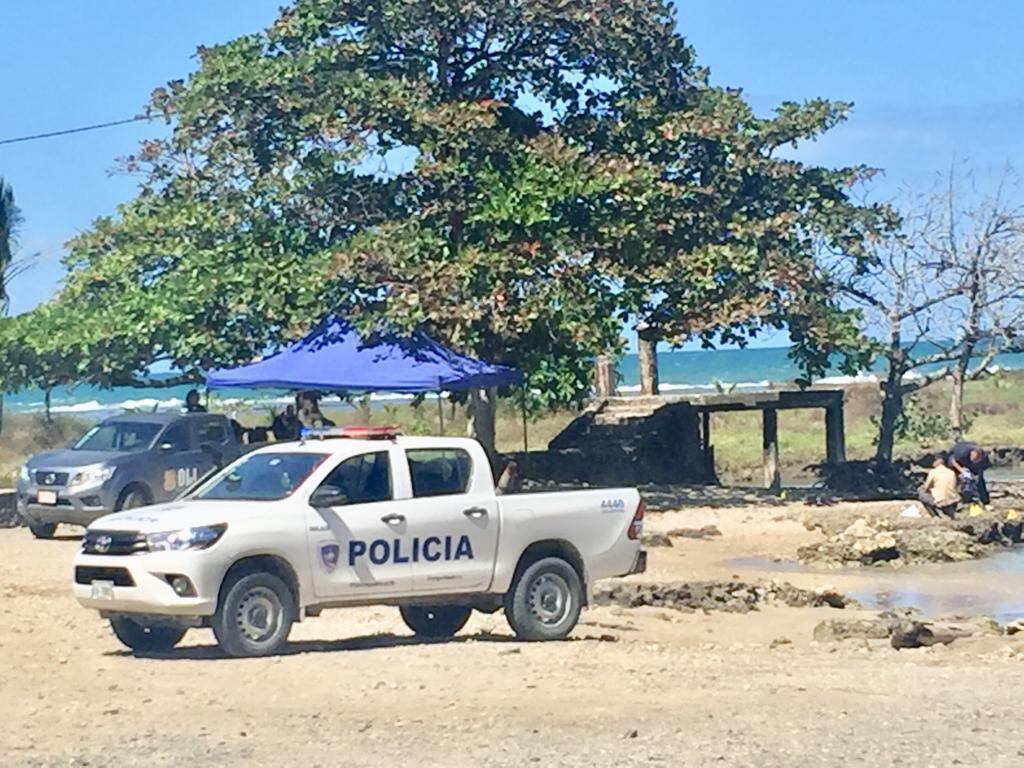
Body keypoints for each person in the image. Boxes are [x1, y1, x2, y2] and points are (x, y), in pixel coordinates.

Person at [947, 441, 992, 505]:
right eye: (973, 458)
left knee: (979, 481)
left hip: (973, 465)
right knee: (957, 478)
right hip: (956, 459)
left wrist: (977, 475)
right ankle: (960, 497)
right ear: (971, 453)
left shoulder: (984, 458)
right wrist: (961, 470)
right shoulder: (962, 452)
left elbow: (982, 469)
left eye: (976, 459)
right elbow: (952, 459)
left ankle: (984, 500)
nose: (974, 460)